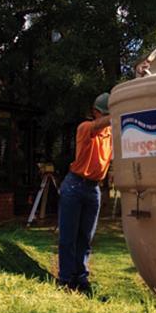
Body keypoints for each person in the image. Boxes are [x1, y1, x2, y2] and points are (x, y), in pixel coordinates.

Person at [57, 92, 113, 296]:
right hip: (74, 186)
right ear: (95, 112)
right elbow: (99, 125)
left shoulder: (110, 136)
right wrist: (121, 112)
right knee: (68, 237)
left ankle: (80, 278)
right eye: (106, 114)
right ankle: (65, 280)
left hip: (93, 189)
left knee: (85, 237)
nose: (108, 119)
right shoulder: (85, 128)